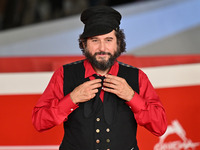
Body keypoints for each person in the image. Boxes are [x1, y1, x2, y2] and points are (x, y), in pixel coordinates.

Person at [32, 5, 167, 150]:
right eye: (95, 40)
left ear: (119, 43)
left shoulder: (137, 77)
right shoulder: (64, 74)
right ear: (84, 44)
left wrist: (132, 96)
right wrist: (71, 99)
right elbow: (39, 122)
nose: (102, 48)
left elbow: (160, 127)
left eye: (108, 40)